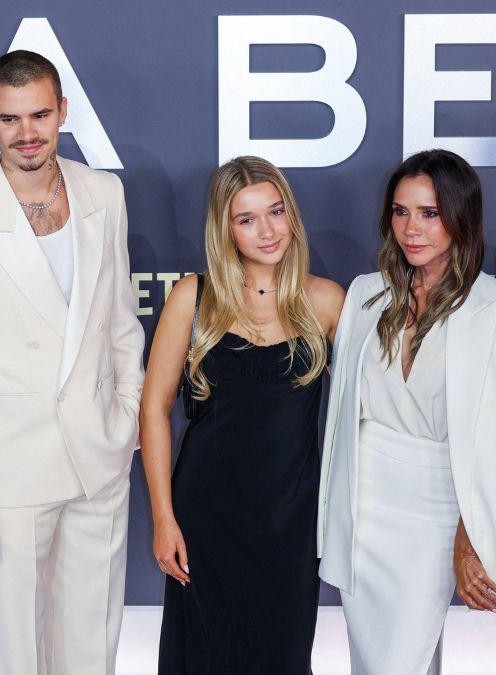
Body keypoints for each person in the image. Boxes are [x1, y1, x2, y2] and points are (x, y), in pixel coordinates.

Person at [0, 50, 145, 674]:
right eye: (10, 118)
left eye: (40, 115)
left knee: (91, 644)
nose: (27, 134)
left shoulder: (105, 193)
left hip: (98, 459)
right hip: (9, 476)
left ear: (63, 111)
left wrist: (124, 423)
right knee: (15, 651)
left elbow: (121, 321)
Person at [318, 149, 496, 674]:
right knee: (378, 661)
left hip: (437, 512)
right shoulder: (364, 295)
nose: (411, 228)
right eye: (401, 212)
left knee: (399, 660)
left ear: (460, 217)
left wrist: (472, 532)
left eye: (429, 213)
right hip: (365, 511)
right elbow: (341, 422)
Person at [141, 156, 344, 674]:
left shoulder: (326, 301)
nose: (267, 230)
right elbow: (153, 407)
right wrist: (164, 518)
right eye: (246, 218)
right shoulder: (194, 297)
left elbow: (366, 410)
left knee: (282, 654)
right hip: (205, 516)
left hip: (290, 521)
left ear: (292, 216)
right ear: (224, 228)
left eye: (275, 212)